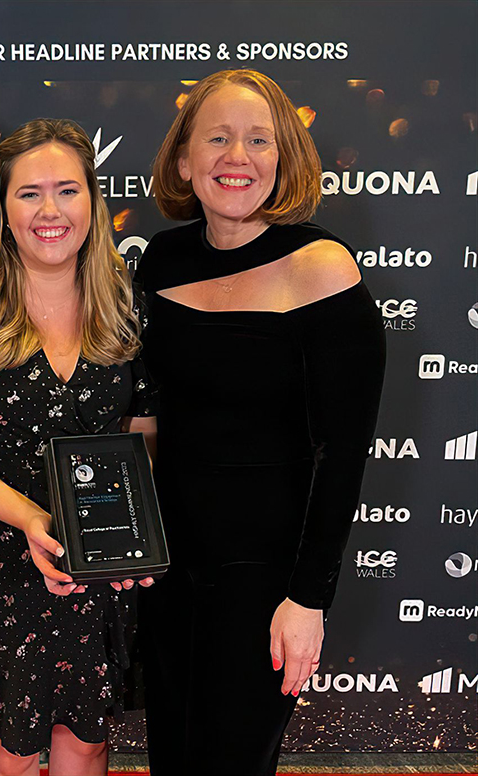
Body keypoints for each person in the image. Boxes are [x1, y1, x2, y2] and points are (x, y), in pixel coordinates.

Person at [135, 68, 386, 775]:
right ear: (183, 159)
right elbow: (146, 417)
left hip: (265, 586)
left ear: (283, 161)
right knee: (172, 760)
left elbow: (342, 457)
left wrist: (307, 600)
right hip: (167, 573)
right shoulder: (160, 259)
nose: (235, 157)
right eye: (216, 138)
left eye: (256, 140)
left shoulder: (321, 268)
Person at [0, 118, 157, 776]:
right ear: (2, 209)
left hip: (95, 567)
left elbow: (142, 428)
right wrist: (32, 520)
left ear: (93, 200)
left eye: (66, 190)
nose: (49, 210)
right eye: (28, 194)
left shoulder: (128, 306)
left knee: (84, 745)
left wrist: (129, 527)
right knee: (11, 752)